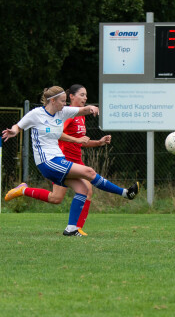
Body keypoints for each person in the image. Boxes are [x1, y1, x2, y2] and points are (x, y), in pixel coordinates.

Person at [2, 86, 139, 237]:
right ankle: (126, 193)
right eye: (62, 101)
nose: (64, 104)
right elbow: (18, 126)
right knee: (89, 172)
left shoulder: (62, 112)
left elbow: (82, 110)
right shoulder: (36, 114)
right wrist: (13, 131)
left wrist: (92, 108)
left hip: (59, 159)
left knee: (82, 189)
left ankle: (71, 228)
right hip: (47, 161)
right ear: (52, 101)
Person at [56, 84, 111, 237]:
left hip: (77, 161)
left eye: (86, 95)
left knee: (80, 192)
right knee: (59, 197)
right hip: (64, 160)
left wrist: (99, 142)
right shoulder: (68, 115)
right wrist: (77, 140)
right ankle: (75, 228)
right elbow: (57, 132)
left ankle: (76, 228)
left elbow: (82, 141)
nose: (85, 98)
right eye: (81, 95)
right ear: (71, 97)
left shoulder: (80, 116)